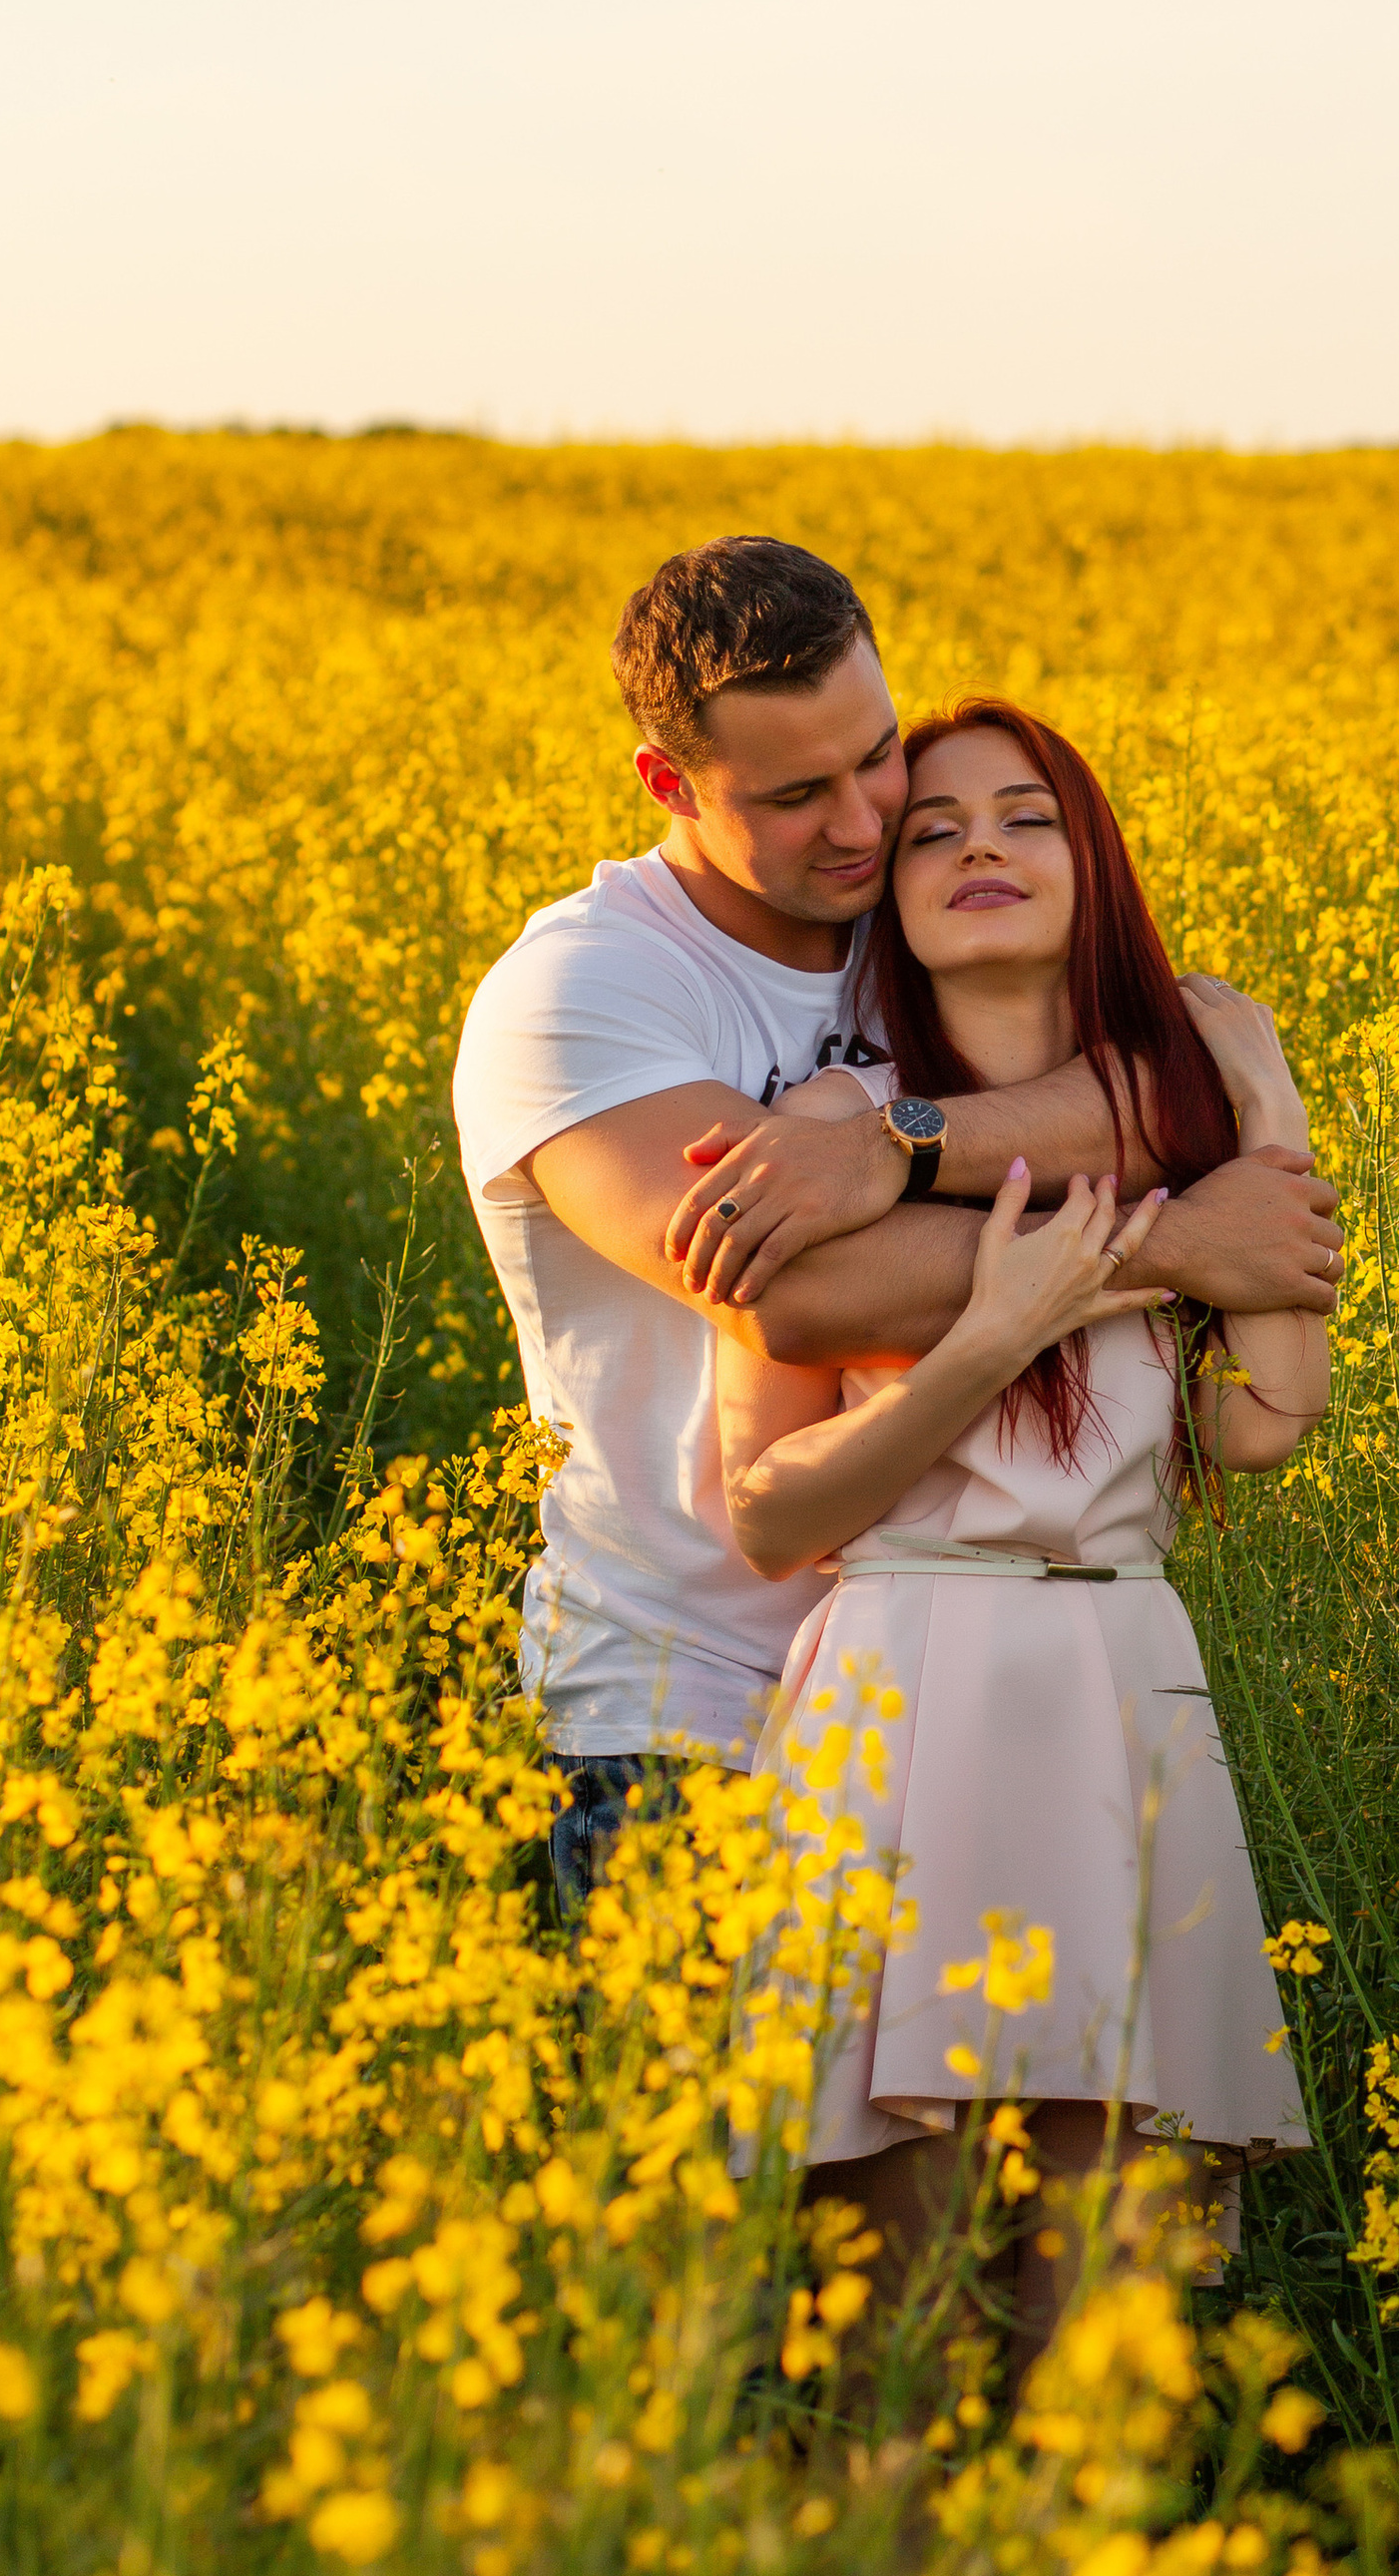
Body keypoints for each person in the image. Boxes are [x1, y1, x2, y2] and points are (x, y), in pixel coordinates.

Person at [449, 539, 1344, 1915]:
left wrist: (894, 1145)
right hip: (690, 1715)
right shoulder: (586, 991)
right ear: (668, 785)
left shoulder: (925, 911)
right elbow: (795, 1299)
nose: (866, 820)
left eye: (876, 757)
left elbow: (1159, 1095)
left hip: (948, 1699)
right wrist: (1165, 1246)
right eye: (798, 795)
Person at [715, 697, 1327, 2368]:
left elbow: (1261, 1424)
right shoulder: (825, 1130)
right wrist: (988, 1343)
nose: (978, 845)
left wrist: (1258, 1093)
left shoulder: (1186, 1135)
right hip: (906, 1681)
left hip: (1117, 1679)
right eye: (934, 829)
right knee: (888, 2334)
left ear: (1096, 867)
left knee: (1098, 2339)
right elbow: (769, 1513)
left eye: (1026, 817)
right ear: (890, 901)